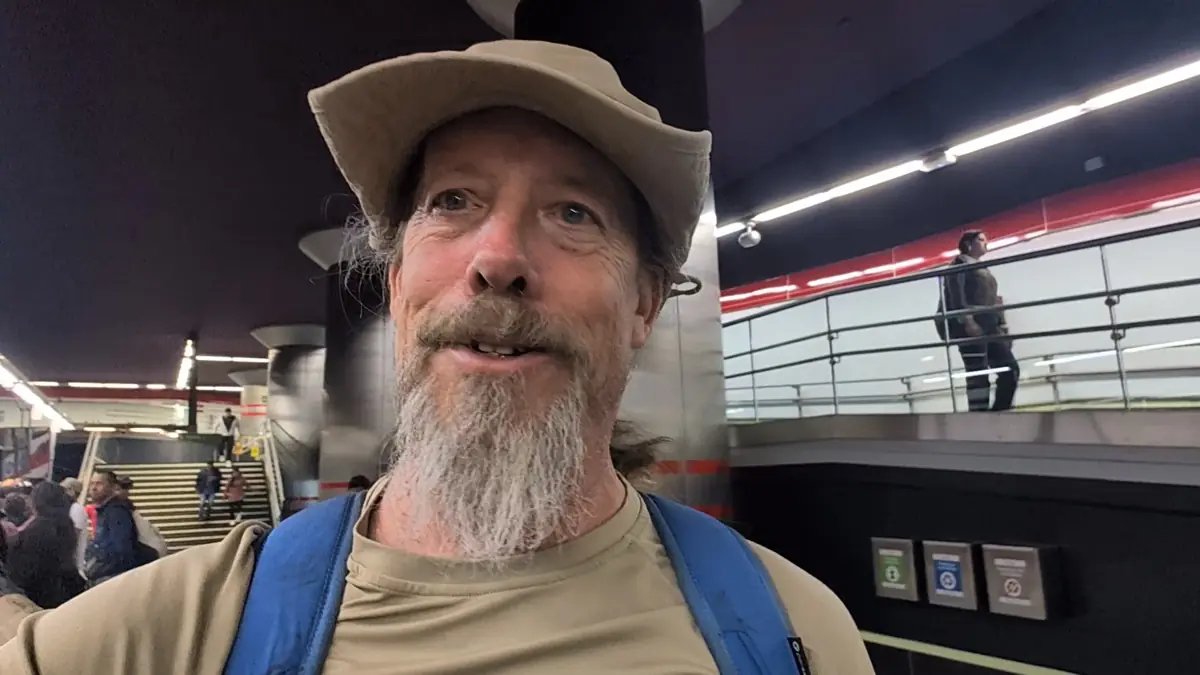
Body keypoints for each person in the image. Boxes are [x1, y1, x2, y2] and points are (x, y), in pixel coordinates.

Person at [0, 40, 874, 674]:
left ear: (644, 303)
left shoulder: (795, 633)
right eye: (452, 200)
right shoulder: (183, 631)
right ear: (397, 286)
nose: (498, 257)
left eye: (574, 212)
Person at [941, 230, 1021, 411]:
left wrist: (1002, 325)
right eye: (981, 239)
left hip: (990, 325)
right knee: (978, 374)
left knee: (1010, 369)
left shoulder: (982, 267)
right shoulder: (958, 265)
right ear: (968, 244)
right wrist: (967, 321)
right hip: (971, 327)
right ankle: (980, 415)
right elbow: (956, 295)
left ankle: (999, 412)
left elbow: (993, 299)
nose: (987, 243)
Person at [6, 482, 86, 608]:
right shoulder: (66, 524)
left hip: (38, 594)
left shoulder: (37, 530)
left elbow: (26, 568)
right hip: (62, 589)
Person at [82, 471, 139, 586]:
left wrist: (98, 570)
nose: (93, 488)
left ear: (112, 487)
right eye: (92, 483)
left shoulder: (116, 512)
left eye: (99, 484)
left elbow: (121, 550)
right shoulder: (104, 511)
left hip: (114, 578)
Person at [59, 478, 90, 573]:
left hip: (75, 566)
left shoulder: (76, 509)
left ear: (72, 491)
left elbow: (74, 536)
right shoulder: (67, 508)